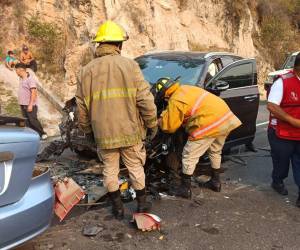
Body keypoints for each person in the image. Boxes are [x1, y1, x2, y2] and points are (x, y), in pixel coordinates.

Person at [76, 21, 158, 219]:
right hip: (130, 131)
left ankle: (118, 208)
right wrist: (152, 124)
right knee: (136, 168)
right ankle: (142, 205)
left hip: (103, 134)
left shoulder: (85, 71)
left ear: (99, 45)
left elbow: (81, 108)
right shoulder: (130, 66)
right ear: (118, 45)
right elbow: (145, 100)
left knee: (109, 171)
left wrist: (88, 131)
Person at [157, 78, 241, 198]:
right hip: (224, 117)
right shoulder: (186, 88)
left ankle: (185, 189)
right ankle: (215, 182)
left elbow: (169, 126)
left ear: (164, 93)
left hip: (208, 122)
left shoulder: (175, 99)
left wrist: (159, 121)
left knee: (189, 155)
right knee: (215, 151)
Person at [267, 53, 300, 208]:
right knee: (282, 163)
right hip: (281, 133)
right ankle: (277, 180)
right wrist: (293, 121)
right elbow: (272, 106)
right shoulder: (283, 82)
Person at [15, 63, 47, 140]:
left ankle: (42, 133)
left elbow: (34, 92)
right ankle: (33, 136)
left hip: (29, 105)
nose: (16, 72)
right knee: (27, 122)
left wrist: (30, 104)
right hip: (23, 105)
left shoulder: (30, 79)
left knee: (33, 121)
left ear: (20, 69)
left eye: (16, 70)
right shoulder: (21, 78)